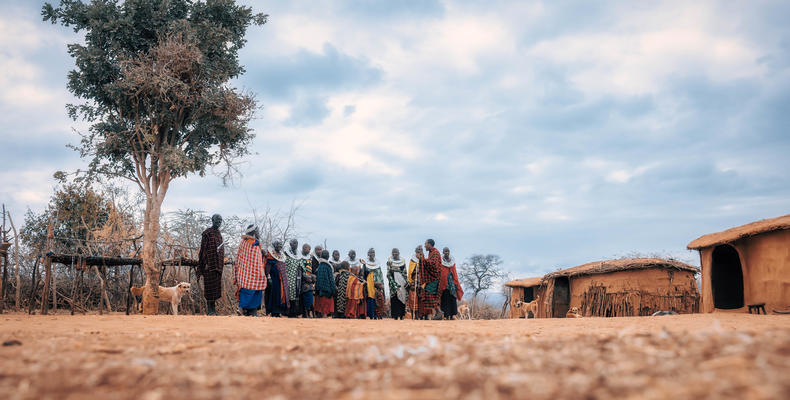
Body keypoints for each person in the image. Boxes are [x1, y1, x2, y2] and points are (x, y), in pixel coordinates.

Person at [234, 225, 266, 317]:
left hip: (244, 272)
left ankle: (251, 311)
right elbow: (255, 259)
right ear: (254, 232)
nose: (259, 233)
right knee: (251, 291)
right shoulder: (254, 243)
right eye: (258, 231)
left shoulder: (243, 242)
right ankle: (244, 309)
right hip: (253, 272)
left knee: (249, 290)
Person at [197, 214, 224, 316]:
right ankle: (209, 310)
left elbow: (221, 250)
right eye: (217, 220)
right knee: (209, 289)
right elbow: (203, 250)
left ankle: (213, 310)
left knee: (215, 289)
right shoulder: (207, 233)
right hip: (209, 266)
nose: (219, 222)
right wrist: (205, 263)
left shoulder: (219, 234)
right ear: (212, 220)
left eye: (220, 220)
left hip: (217, 266)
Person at [417, 239, 442, 320]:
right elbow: (429, 263)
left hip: (434, 278)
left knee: (428, 293)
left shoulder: (435, 252)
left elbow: (433, 265)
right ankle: (438, 313)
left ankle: (439, 312)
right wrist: (422, 258)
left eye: (426, 244)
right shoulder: (431, 252)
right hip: (432, 278)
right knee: (430, 295)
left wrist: (422, 259)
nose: (424, 246)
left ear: (430, 244)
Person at [264, 240, 289, 317]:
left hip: (281, 280)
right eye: (278, 245)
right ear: (274, 245)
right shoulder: (270, 255)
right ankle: (274, 311)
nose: (279, 246)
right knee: (274, 294)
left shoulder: (282, 256)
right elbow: (268, 267)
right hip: (274, 279)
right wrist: (268, 277)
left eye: (280, 245)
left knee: (281, 294)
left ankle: (279, 311)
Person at [439, 247, 464, 320]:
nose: (446, 252)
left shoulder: (452, 262)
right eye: (445, 251)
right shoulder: (441, 262)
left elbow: (454, 273)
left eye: (448, 251)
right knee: (445, 299)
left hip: (452, 283)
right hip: (444, 283)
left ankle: (453, 315)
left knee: (453, 298)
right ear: (443, 252)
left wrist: (455, 283)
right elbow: (441, 272)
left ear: (449, 252)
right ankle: (446, 315)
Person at [283, 239, 303, 318]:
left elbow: (301, 266)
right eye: (294, 243)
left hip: (296, 278)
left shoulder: (298, 255)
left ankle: (294, 312)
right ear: (290, 244)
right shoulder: (286, 254)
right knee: (288, 293)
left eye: (297, 243)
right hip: (288, 276)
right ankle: (288, 312)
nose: (296, 244)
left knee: (296, 294)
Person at [387, 248, 408, 320]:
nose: (394, 254)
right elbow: (388, 274)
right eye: (393, 253)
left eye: (396, 252)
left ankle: (402, 315)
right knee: (394, 298)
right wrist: (393, 283)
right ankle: (395, 316)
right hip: (393, 284)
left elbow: (405, 273)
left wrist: (406, 281)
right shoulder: (389, 262)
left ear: (399, 253)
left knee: (402, 298)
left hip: (402, 282)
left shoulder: (403, 262)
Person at [361, 248, 382, 319]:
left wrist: (380, 283)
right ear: (368, 254)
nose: (372, 254)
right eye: (370, 253)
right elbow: (363, 274)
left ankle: (377, 315)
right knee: (370, 298)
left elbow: (380, 274)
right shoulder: (365, 264)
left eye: (373, 252)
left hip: (377, 284)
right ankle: (370, 315)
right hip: (369, 284)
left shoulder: (377, 263)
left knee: (378, 299)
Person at [314, 249, 336, 318]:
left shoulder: (319, 266)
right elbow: (331, 279)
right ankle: (325, 317)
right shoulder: (328, 266)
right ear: (328, 257)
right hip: (327, 291)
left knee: (320, 306)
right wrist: (333, 289)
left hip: (319, 289)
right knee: (325, 309)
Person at [300, 243, 315, 318]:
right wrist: (304, 276)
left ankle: (309, 313)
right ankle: (304, 313)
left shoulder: (310, 257)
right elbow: (300, 268)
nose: (308, 250)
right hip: (302, 278)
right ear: (303, 248)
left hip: (309, 278)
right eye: (306, 248)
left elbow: (311, 268)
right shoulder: (299, 257)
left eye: (309, 249)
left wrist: (312, 276)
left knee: (310, 296)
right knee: (303, 296)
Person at [407, 245, 422, 319]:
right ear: (416, 252)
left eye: (420, 252)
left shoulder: (423, 260)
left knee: (420, 299)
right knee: (413, 299)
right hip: (414, 281)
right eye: (418, 252)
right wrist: (415, 271)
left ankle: (419, 315)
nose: (419, 253)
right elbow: (410, 271)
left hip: (421, 282)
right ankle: (413, 315)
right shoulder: (412, 261)